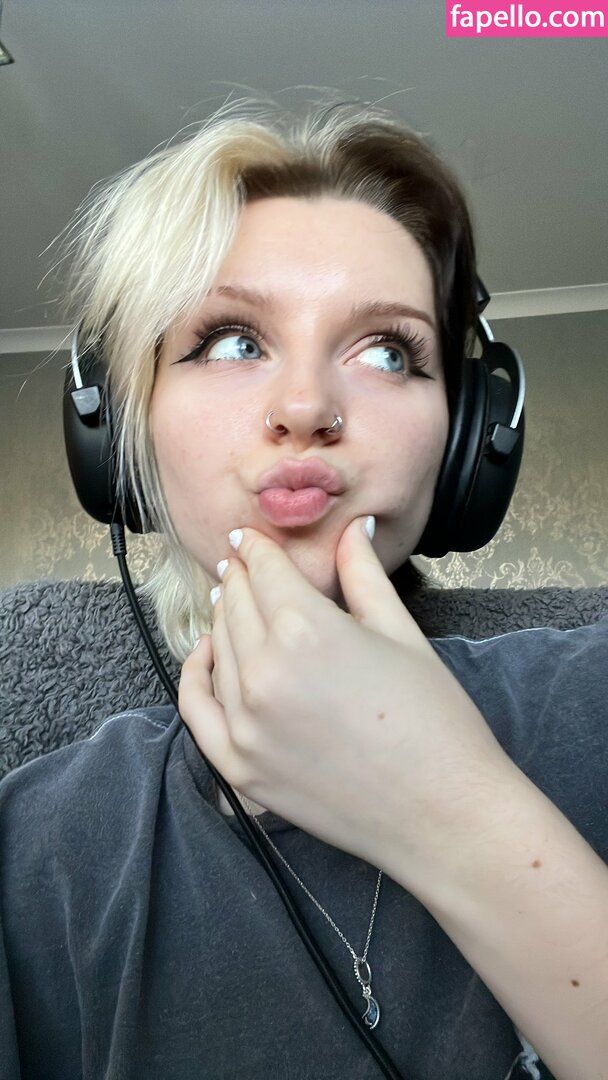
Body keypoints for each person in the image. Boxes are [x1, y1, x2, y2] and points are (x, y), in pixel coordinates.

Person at [0, 96, 607, 1080]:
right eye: (231, 340)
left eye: (387, 352)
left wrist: (450, 806)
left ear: (468, 442)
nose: (306, 406)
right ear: (122, 432)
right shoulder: (30, 851)